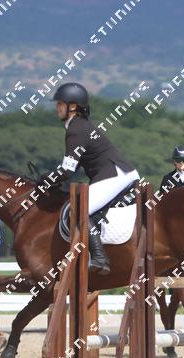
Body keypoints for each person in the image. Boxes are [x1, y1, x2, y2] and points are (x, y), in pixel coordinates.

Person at [36, 82, 140, 275]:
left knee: (79, 209)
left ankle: (100, 258)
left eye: (60, 103)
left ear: (73, 106)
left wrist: (46, 179)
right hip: (119, 173)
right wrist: (52, 178)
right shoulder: (80, 126)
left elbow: (67, 170)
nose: (57, 107)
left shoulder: (76, 129)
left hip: (115, 175)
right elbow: (72, 168)